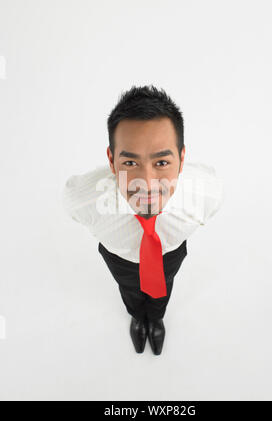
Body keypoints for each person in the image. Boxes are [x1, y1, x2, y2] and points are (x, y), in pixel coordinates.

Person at [61, 85, 224, 355]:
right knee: (129, 290)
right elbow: (71, 203)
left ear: (182, 160)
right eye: (130, 163)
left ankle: (156, 317)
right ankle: (137, 316)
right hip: (119, 257)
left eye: (161, 163)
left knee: (164, 287)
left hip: (169, 254)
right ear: (112, 161)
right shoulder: (84, 199)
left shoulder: (205, 194)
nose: (147, 184)